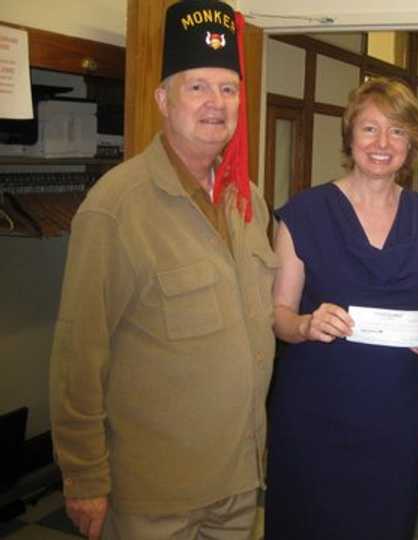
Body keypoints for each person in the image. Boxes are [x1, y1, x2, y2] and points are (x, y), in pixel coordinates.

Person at [49, 1, 277, 539]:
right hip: (156, 493)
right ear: (162, 99)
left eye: (227, 88)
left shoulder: (249, 201)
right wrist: (84, 477)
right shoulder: (117, 206)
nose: (215, 103)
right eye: (196, 86)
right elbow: (78, 353)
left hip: (239, 481)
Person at [264, 77, 418, 540]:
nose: (383, 144)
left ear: (412, 143)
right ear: (350, 137)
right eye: (370, 129)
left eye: (397, 131)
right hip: (314, 419)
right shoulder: (303, 214)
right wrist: (306, 324)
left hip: (396, 421)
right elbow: (277, 315)